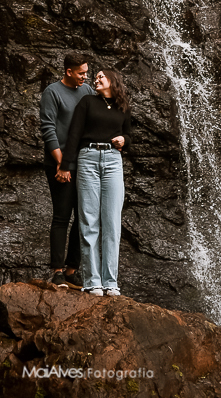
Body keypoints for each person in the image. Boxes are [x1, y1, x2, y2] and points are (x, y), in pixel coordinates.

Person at [60, 67, 132, 297]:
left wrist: (124, 140)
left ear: (113, 80)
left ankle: (111, 282)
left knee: (112, 222)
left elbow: (129, 135)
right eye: (96, 76)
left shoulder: (123, 106)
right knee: (89, 220)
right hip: (88, 158)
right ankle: (93, 281)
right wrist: (65, 165)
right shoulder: (87, 102)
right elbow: (74, 134)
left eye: (101, 76)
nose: (96, 79)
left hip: (113, 160)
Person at [39, 52, 95, 284]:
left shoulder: (88, 91)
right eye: (81, 73)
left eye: (86, 72)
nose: (85, 76)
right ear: (68, 71)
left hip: (84, 163)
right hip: (59, 163)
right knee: (62, 217)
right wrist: (62, 164)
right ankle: (57, 271)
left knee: (82, 218)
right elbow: (48, 128)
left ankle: (72, 270)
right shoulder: (52, 92)